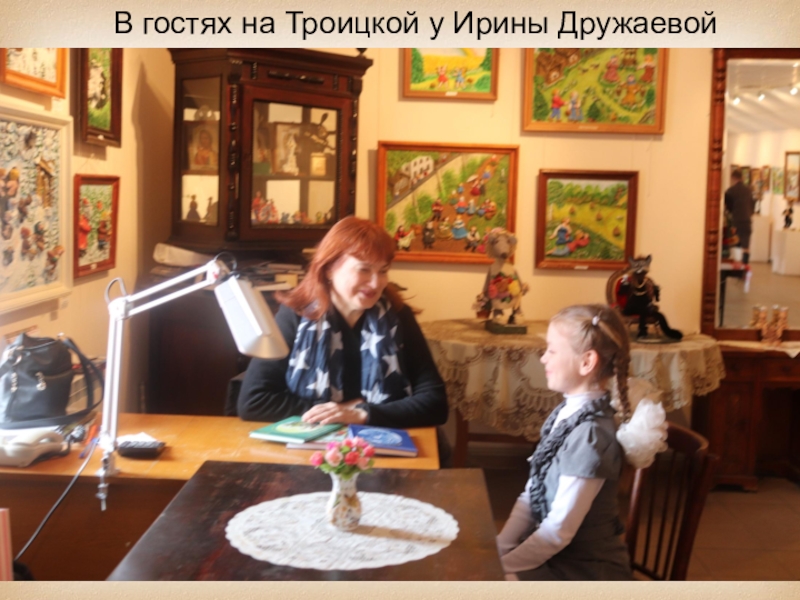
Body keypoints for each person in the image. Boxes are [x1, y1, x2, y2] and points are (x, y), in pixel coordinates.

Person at [237, 217, 450, 455]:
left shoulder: (398, 316)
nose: (375, 283)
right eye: (364, 269)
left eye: (383, 271)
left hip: (384, 449)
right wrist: (337, 412)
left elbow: (436, 404)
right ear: (329, 268)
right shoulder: (296, 315)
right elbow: (254, 401)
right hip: (311, 453)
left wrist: (361, 414)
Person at [497, 304, 634, 581]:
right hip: (553, 555)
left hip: (585, 570)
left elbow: (558, 532)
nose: (543, 358)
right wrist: (498, 550)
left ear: (587, 362)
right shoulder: (567, 413)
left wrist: (496, 568)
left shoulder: (591, 436)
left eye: (552, 350)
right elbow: (530, 496)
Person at [724, 169, 755, 264]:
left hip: (736, 221)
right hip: (747, 220)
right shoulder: (749, 190)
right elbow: (752, 205)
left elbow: (728, 207)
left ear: (733, 178)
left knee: (733, 243)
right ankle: (745, 266)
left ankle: (734, 266)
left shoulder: (730, 191)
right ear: (742, 177)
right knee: (746, 245)